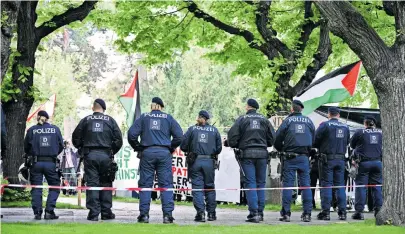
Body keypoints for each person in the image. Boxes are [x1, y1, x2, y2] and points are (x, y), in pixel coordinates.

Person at [128, 97, 183, 224]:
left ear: (152, 106)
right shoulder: (168, 118)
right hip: (164, 153)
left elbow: (131, 135)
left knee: (145, 184)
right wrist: (170, 147)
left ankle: (144, 215)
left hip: (147, 153)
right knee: (166, 184)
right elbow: (179, 136)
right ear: (161, 107)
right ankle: (167, 216)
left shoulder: (143, 117)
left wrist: (138, 147)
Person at [72, 99, 123, 221]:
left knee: (92, 184)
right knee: (106, 183)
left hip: (90, 156)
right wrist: (111, 151)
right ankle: (106, 212)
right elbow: (118, 140)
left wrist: (82, 149)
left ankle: (93, 213)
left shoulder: (85, 120)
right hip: (106, 156)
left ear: (92, 108)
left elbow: (75, 138)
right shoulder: (110, 121)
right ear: (104, 109)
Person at [226, 99, 275, 223]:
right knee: (260, 183)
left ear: (248, 107)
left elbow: (232, 138)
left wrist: (235, 144)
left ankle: (254, 213)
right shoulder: (265, 120)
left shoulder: (242, 119)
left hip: (247, 155)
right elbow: (272, 139)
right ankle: (260, 212)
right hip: (262, 155)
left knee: (250, 183)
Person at [274, 100, 315, 222]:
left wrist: (282, 149)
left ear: (292, 109)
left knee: (288, 186)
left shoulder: (287, 121)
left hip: (289, 157)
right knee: (306, 186)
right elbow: (314, 139)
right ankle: (307, 214)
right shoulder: (309, 121)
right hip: (304, 158)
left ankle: (286, 214)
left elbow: (277, 139)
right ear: (301, 109)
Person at [180, 110, 222, 222]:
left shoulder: (192, 129)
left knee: (197, 188)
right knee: (209, 187)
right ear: (207, 119)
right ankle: (212, 214)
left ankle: (200, 213)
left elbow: (183, 146)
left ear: (199, 117)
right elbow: (219, 149)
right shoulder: (214, 130)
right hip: (209, 162)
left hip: (195, 162)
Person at [24, 110, 64, 220]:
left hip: (36, 163)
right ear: (47, 118)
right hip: (51, 163)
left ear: (38, 117)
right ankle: (49, 211)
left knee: (36, 188)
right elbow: (61, 145)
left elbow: (26, 147)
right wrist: (53, 153)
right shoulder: (55, 129)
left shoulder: (32, 130)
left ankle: (37, 213)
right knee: (54, 186)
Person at [313, 107, 350, 220]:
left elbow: (315, 141)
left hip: (327, 160)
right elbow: (347, 141)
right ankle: (342, 212)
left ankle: (326, 212)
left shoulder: (324, 125)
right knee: (340, 186)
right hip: (341, 159)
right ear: (338, 115)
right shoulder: (345, 127)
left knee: (326, 185)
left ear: (329, 114)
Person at [350, 115, 382, 220]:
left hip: (364, 163)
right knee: (377, 187)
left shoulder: (360, 132)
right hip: (378, 162)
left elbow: (352, 145)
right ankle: (379, 210)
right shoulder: (381, 132)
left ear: (365, 123)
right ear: (374, 123)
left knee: (361, 187)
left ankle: (359, 212)